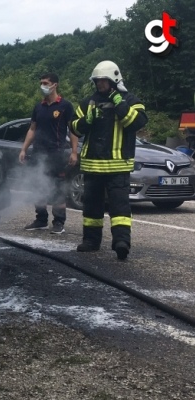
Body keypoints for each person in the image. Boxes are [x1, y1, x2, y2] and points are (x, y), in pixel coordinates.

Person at [70, 61, 147, 260]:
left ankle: (121, 242)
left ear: (114, 79)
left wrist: (119, 103)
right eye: (97, 81)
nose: (99, 84)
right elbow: (75, 129)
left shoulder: (130, 100)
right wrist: (87, 120)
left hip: (118, 166)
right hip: (92, 165)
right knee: (91, 207)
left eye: (103, 80)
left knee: (120, 208)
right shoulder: (88, 102)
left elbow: (136, 123)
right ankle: (91, 241)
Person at [19, 73, 79, 234]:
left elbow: (73, 130)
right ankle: (41, 220)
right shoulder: (38, 107)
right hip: (38, 153)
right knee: (37, 186)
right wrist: (24, 149)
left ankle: (59, 222)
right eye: (41, 83)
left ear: (55, 85)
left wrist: (74, 151)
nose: (42, 86)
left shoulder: (65, 106)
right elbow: (32, 129)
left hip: (57, 153)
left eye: (45, 83)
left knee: (57, 189)